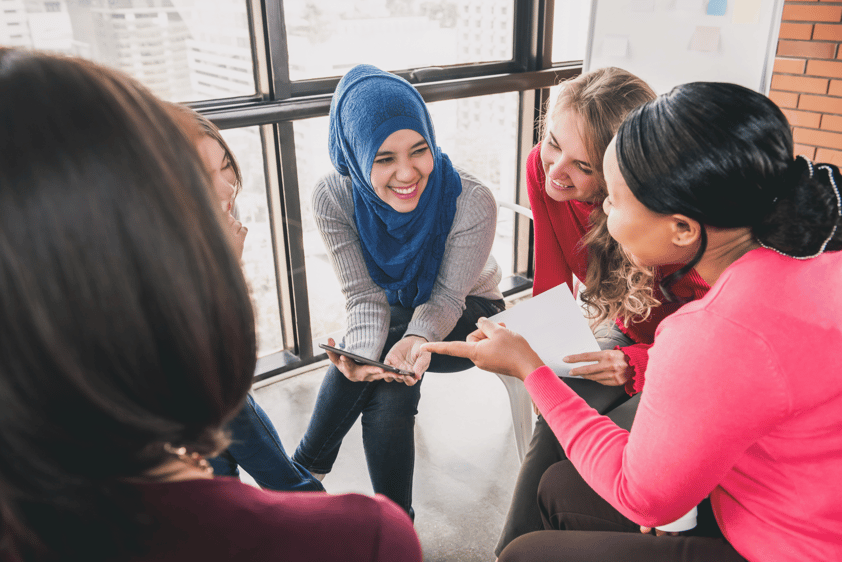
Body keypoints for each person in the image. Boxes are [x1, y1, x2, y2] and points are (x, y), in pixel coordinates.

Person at [0, 48, 421, 562]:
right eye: (193, 184)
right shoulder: (368, 537)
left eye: (226, 168)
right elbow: (210, 364)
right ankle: (300, 481)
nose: (226, 188)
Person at [424, 81, 842, 561]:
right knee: (560, 486)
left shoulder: (711, 331)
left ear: (682, 228)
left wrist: (531, 369)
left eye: (614, 199)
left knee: (531, 552)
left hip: (788, 546)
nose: (601, 210)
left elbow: (644, 495)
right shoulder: (812, 255)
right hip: (780, 494)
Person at [494, 67, 710, 555]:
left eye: (583, 167)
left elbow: (708, 348)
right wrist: (539, 352)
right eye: (552, 143)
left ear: (623, 174)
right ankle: (512, 552)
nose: (555, 171)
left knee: (583, 468)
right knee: (555, 415)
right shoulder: (543, 171)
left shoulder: (673, 228)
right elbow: (551, 278)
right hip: (625, 326)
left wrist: (636, 364)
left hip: (677, 359)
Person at [293, 64, 504, 518]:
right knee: (384, 375)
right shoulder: (335, 197)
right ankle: (394, 523)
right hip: (392, 308)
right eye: (384, 158)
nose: (407, 173)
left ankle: (299, 478)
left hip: (469, 311)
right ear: (355, 153)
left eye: (419, 150)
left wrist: (414, 338)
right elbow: (364, 298)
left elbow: (447, 298)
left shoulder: (469, 199)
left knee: (392, 355)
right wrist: (360, 358)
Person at [176, 106, 324, 493]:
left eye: (225, 165)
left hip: (206, 391)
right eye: (202, 178)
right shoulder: (152, 250)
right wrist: (228, 267)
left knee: (231, 476)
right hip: (184, 396)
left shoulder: (203, 226)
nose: (227, 187)